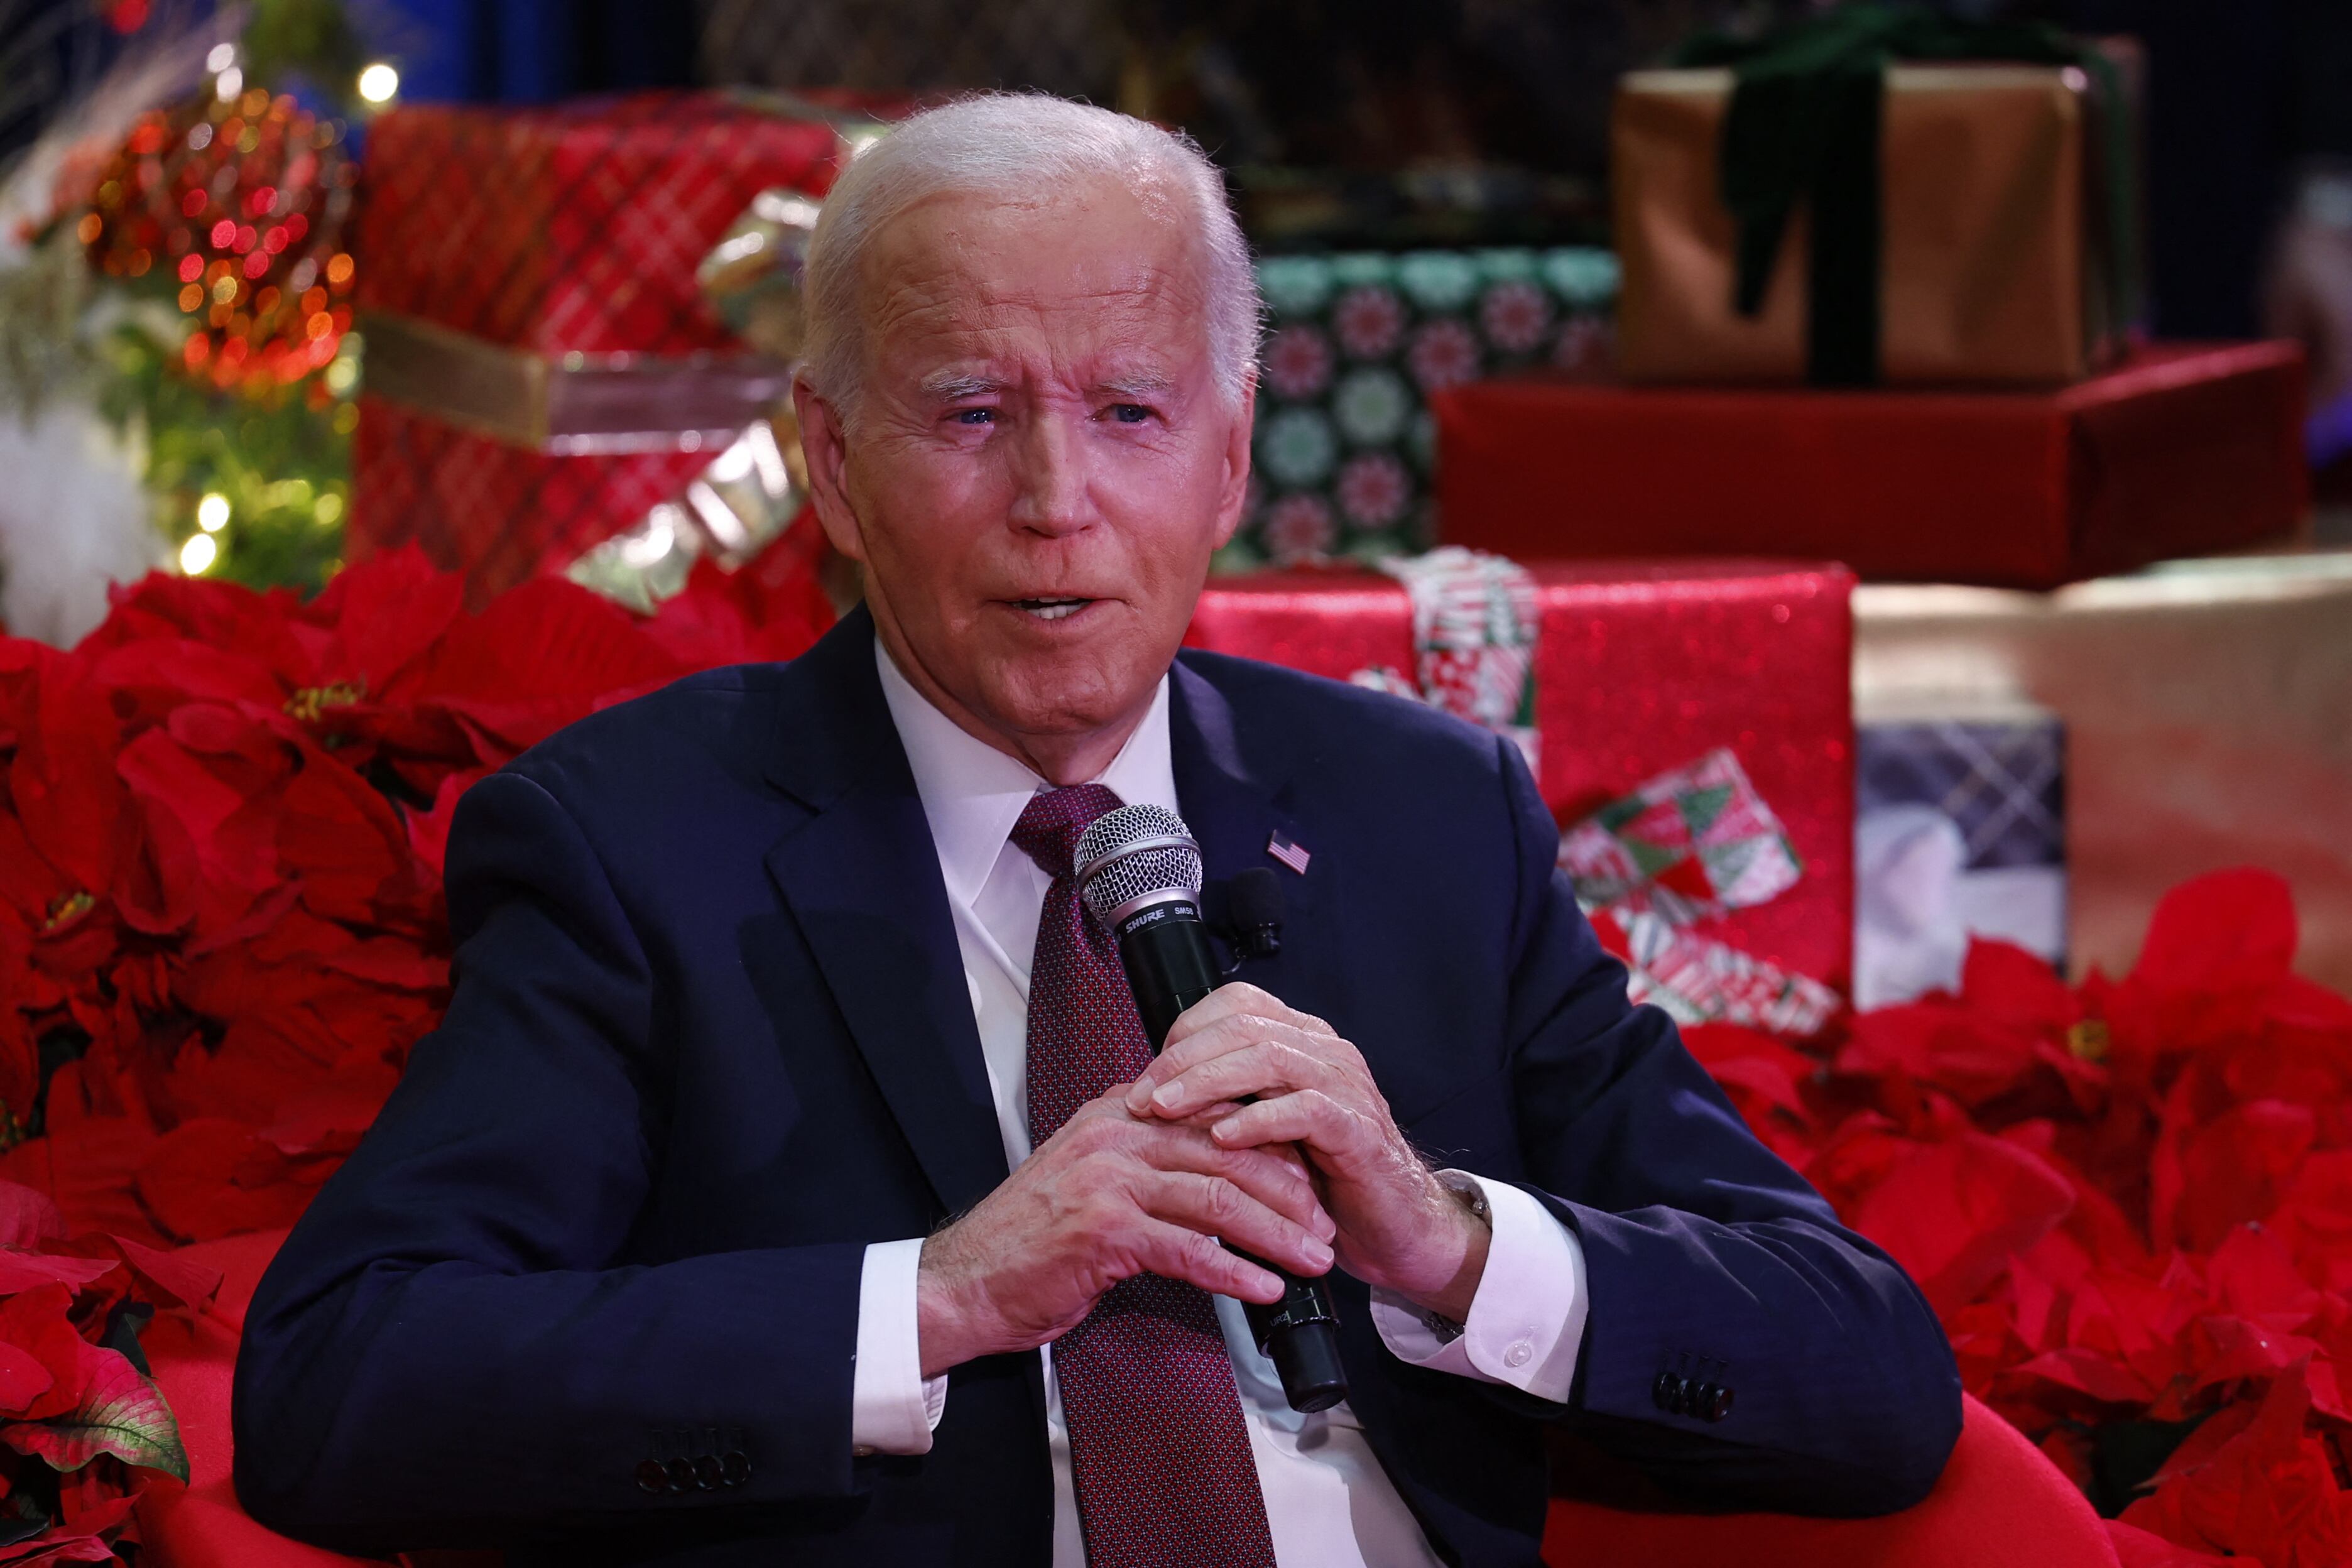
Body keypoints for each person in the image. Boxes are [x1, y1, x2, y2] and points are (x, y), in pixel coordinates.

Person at [232, 94, 1961, 1567]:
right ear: (832, 471)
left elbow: (1874, 1377)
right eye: (971, 414)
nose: (1057, 504)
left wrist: (1448, 1246)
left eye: (1130, 413)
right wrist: (941, 1297)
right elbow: (342, 1386)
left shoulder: (1432, 817)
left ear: (1228, 464)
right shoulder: (633, 845)